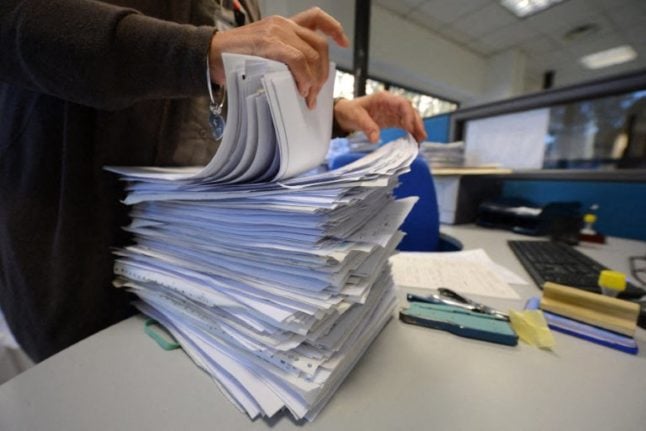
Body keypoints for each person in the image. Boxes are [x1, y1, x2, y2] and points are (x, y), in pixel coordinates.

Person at [0, 0, 427, 363]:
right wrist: (199, 51)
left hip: (195, 284)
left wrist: (325, 112)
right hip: (84, 272)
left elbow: (217, 126)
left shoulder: (246, 5)